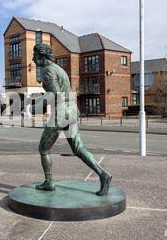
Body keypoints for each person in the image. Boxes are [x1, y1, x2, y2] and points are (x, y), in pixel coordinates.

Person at [32, 43, 112, 196]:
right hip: (72, 110)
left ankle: (49, 182)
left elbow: (56, 94)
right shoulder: (59, 69)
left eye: (35, 56)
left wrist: (38, 104)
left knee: (43, 149)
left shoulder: (47, 70)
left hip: (62, 112)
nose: (33, 59)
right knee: (79, 149)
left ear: (42, 56)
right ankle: (103, 175)